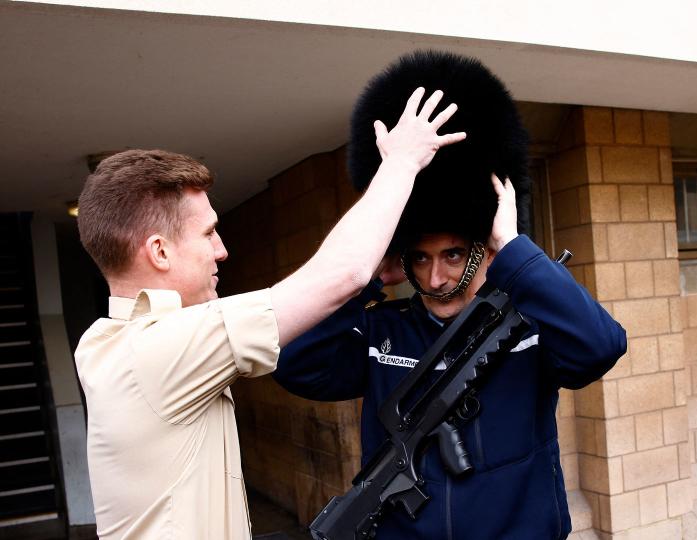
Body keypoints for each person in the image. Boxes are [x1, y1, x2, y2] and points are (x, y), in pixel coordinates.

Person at [73, 86, 465, 539]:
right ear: (159, 251)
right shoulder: (155, 349)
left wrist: (379, 276)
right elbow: (343, 275)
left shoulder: (106, 342)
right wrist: (402, 161)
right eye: (208, 234)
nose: (222, 251)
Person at [273, 51, 627, 539]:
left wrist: (515, 252)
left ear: (481, 249)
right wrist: (368, 276)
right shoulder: (384, 330)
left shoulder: (529, 319)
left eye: (453, 255)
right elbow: (297, 365)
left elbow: (601, 347)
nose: (435, 277)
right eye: (419, 258)